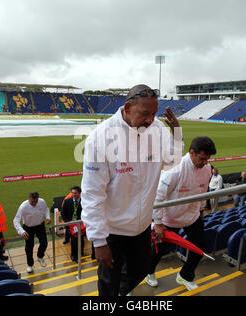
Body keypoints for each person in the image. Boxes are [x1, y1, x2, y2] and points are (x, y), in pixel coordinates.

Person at [81, 84, 182, 296]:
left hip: (142, 227)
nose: (150, 120)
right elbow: (92, 194)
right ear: (127, 107)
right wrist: (99, 241)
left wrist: (177, 135)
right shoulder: (101, 138)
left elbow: (171, 163)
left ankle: (122, 292)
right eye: (145, 113)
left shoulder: (157, 129)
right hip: (112, 231)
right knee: (108, 284)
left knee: (141, 270)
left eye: (154, 114)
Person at [147, 136, 216, 291]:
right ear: (192, 153)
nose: (205, 162)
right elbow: (158, 197)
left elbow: (203, 192)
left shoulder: (206, 169)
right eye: (202, 158)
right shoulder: (174, 170)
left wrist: (201, 210)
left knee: (199, 248)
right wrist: (158, 223)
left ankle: (185, 276)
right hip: (170, 219)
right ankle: (148, 271)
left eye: (208, 159)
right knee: (159, 250)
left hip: (192, 216)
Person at [13, 192, 51, 273]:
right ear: (29, 199)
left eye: (36, 201)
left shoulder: (42, 202)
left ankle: (40, 256)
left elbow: (46, 209)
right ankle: (30, 264)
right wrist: (22, 231)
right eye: (32, 201)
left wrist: (47, 217)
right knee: (29, 247)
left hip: (40, 226)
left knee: (44, 243)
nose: (34, 203)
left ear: (38, 199)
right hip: (28, 228)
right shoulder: (23, 206)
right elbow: (16, 220)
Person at [61, 186, 84, 262]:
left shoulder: (84, 201)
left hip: (81, 224)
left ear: (79, 193)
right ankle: (74, 256)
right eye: (72, 193)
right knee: (74, 241)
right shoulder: (67, 201)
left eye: (75, 193)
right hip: (71, 225)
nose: (74, 194)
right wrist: (68, 223)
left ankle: (81, 252)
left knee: (81, 239)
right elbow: (63, 213)